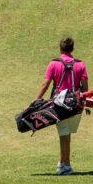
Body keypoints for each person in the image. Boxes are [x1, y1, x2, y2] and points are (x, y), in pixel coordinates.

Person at [36, 36, 88, 175]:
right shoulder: (80, 64)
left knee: (64, 133)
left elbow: (45, 85)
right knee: (66, 133)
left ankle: (64, 166)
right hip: (75, 104)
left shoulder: (54, 64)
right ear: (72, 49)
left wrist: (36, 100)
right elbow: (85, 87)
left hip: (59, 103)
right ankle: (65, 164)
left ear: (60, 48)